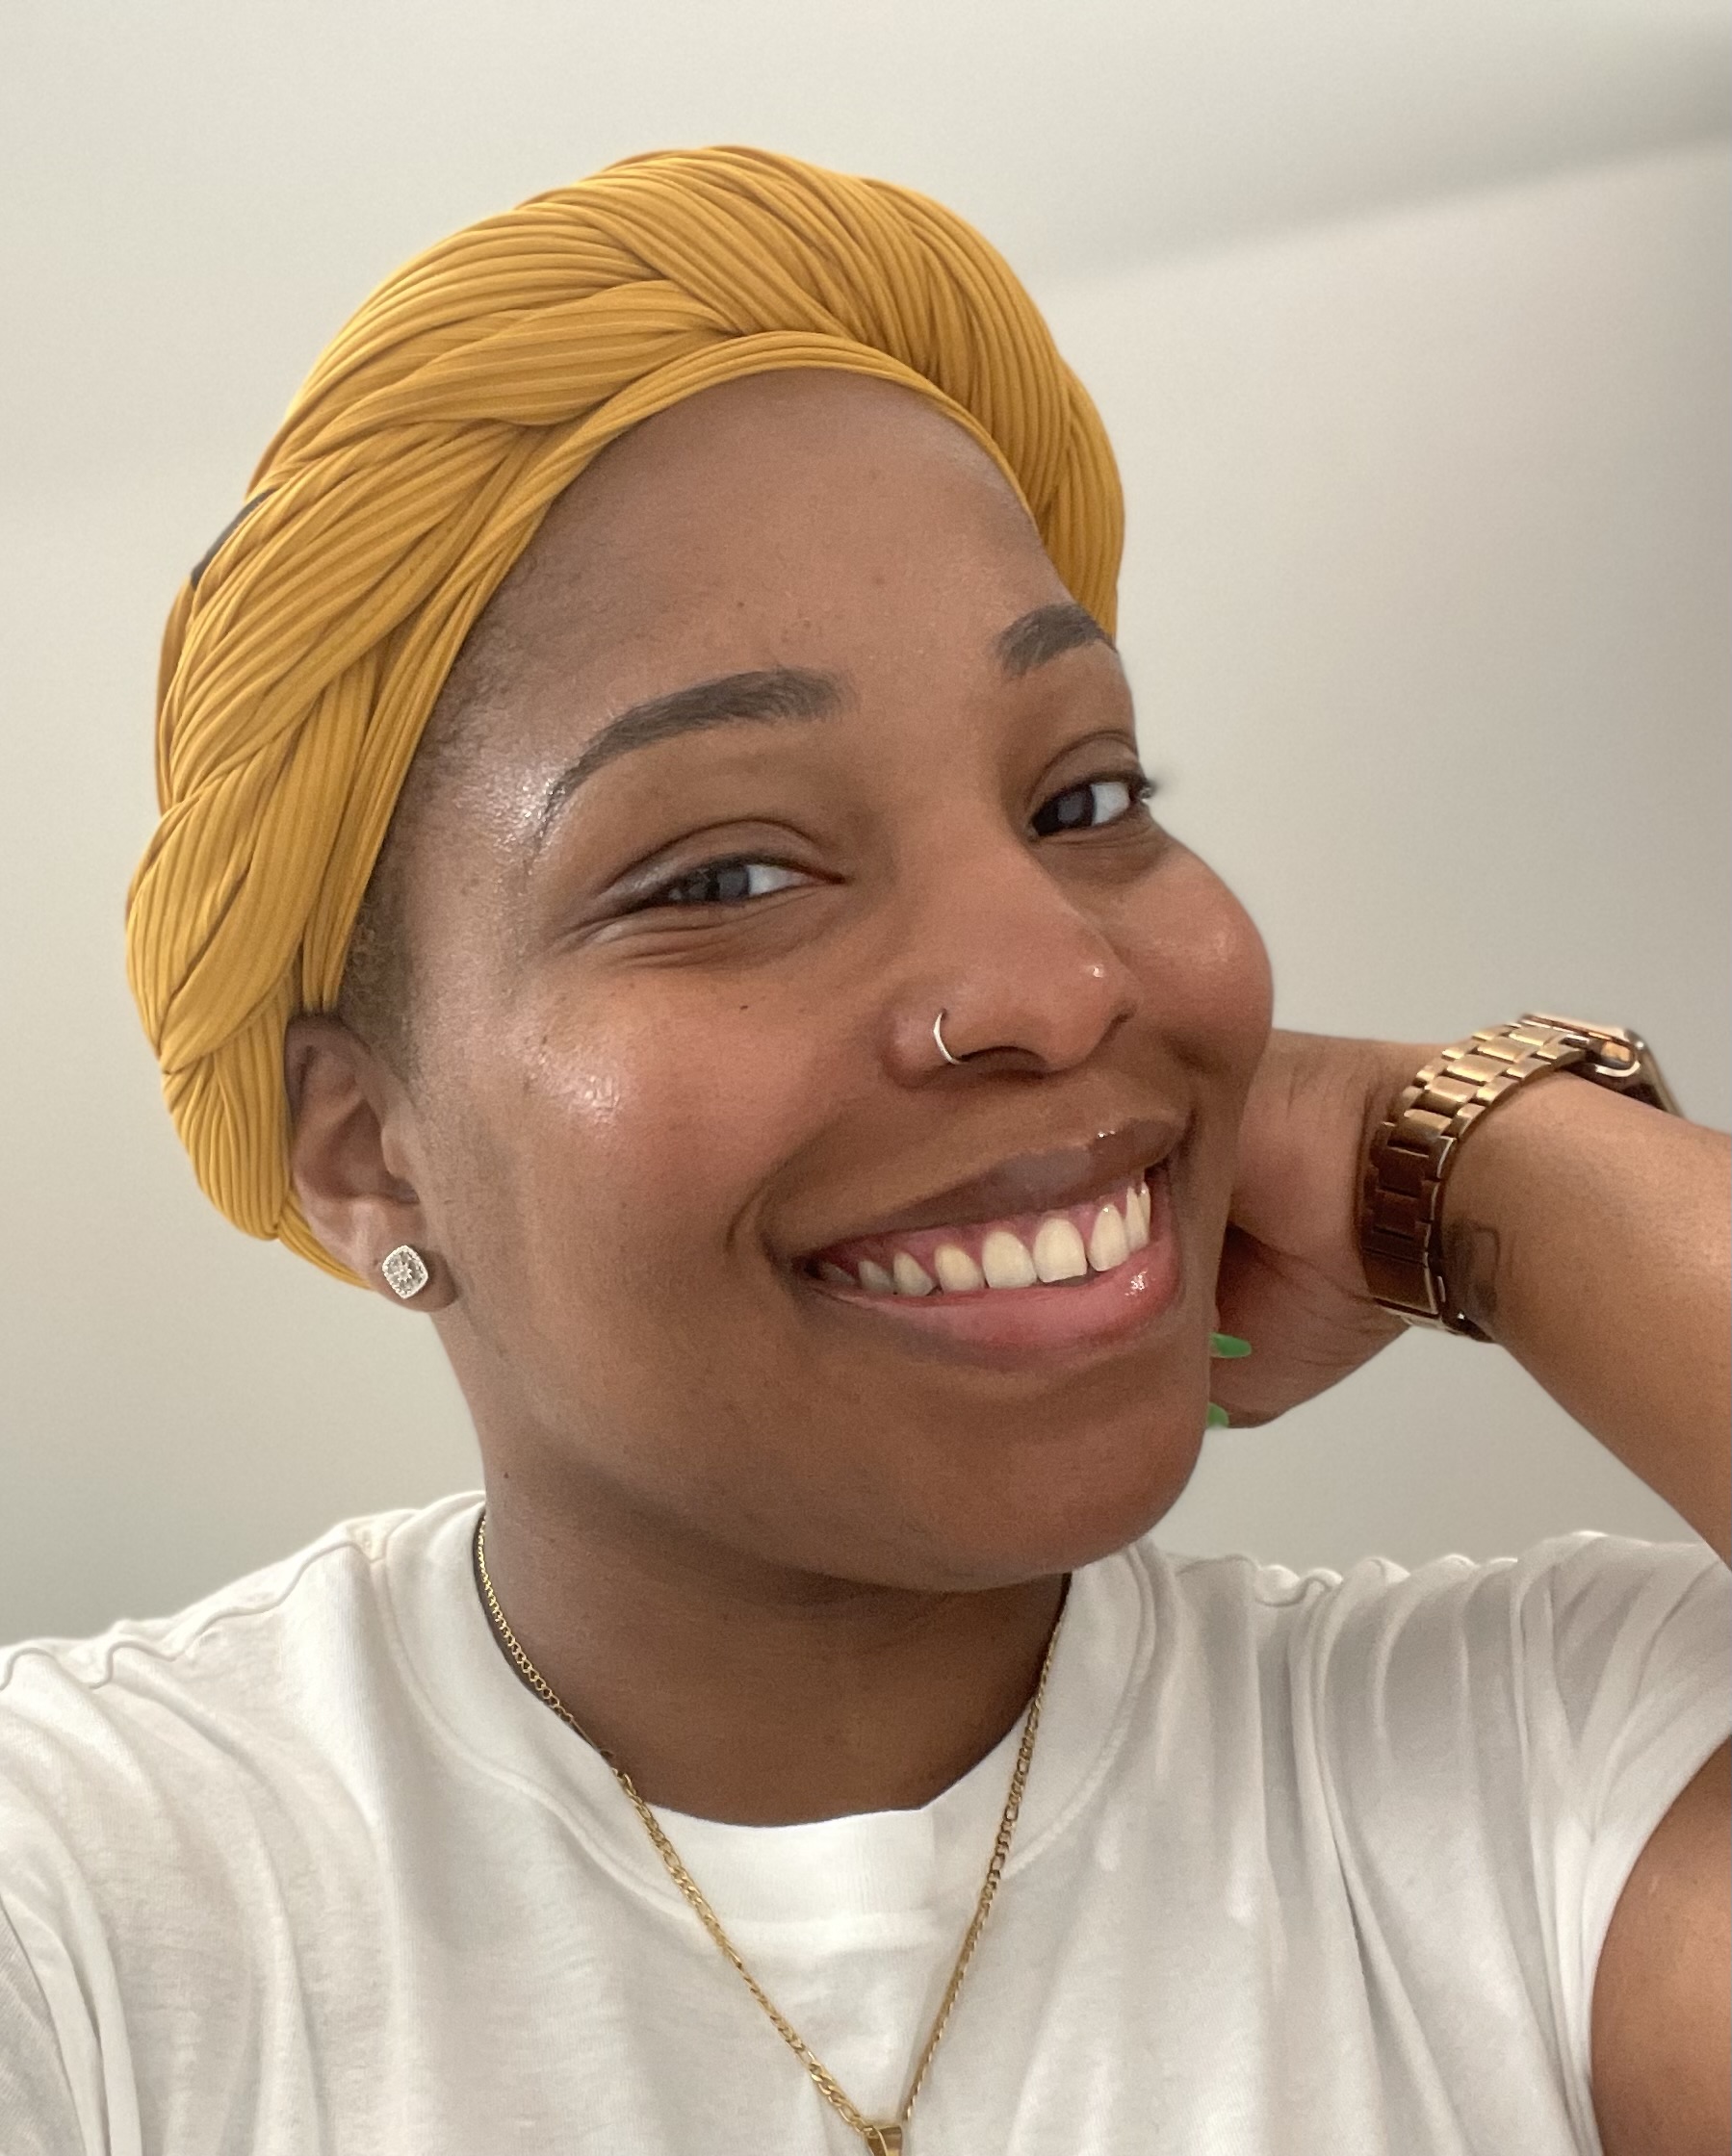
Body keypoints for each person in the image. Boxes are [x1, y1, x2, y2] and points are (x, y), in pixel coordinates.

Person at [1, 147, 1725, 2156]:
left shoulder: (1539, 1778)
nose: (1056, 981)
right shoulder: (94, 1901)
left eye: (1084, 799)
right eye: (728, 872)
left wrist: (1466, 1162)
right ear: (372, 1151)